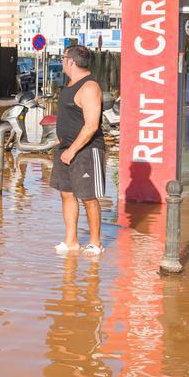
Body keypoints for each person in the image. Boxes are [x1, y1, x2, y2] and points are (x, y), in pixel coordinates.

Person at [51, 45, 107, 256]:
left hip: (85, 150)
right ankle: (71, 241)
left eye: (63, 58)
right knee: (66, 194)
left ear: (71, 61)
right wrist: (61, 140)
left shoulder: (90, 87)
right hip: (65, 148)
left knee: (88, 197)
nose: (62, 61)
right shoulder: (69, 85)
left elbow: (92, 125)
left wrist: (72, 150)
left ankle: (95, 243)